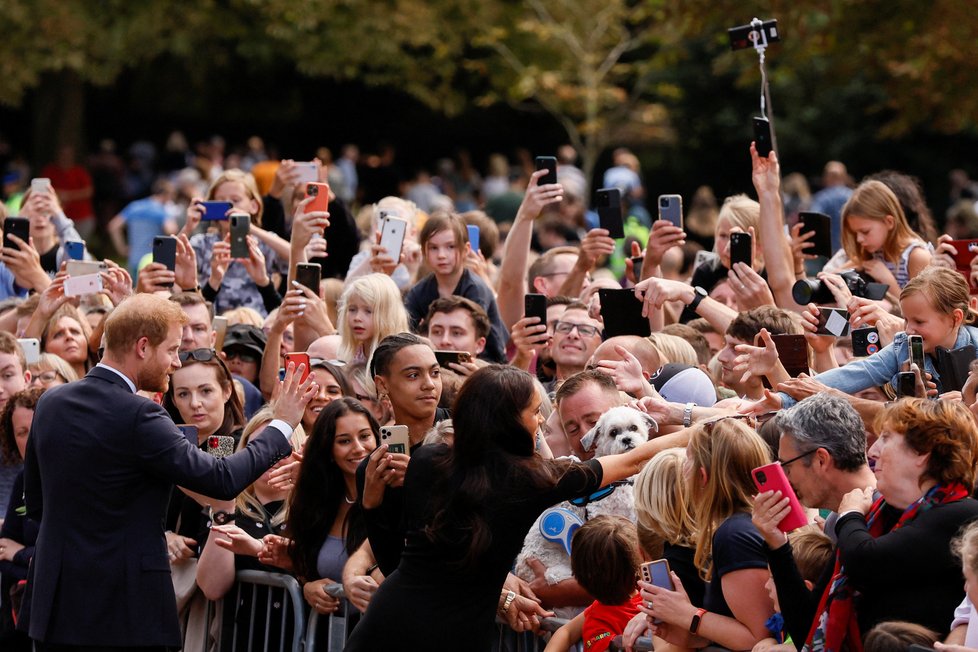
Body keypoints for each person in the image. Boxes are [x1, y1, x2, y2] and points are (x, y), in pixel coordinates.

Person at [22, 293, 314, 649]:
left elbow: (36, 506)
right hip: (125, 614)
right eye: (172, 349)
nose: (175, 362)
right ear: (143, 346)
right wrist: (282, 424)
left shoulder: (51, 403)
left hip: (55, 609)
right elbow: (222, 481)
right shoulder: (140, 415)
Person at [344, 365, 693, 650]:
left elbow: (416, 565)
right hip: (450, 636)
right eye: (534, 412)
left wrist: (501, 599)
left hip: (388, 623)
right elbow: (633, 461)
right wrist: (705, 425)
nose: (540, 422)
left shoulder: (430, 459)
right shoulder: (531, 480)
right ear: (508, 421)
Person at [807, 399, 978, 645]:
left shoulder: (962, 514)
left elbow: (865, 561)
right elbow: (810, 610)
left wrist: (850, 515)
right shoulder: (879, 514)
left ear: (922, 452)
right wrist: (777, 546)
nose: (873, 451)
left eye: (886, 438)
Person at [639, 416, 775, 650]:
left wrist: (687, 614)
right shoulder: (739, 526)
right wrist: (686, 635)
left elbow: (759, 638)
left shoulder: (734, 535)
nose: (682, 468)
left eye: (688, 458)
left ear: (702, 477)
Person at [762, 267, 978, 410]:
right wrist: (784, 398)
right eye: (905, 320)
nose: (909, 329)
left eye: (919, 322)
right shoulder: (902, 346)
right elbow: (854, 374)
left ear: (955, 318)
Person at [287, 398, 380, 623]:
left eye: (365, 436)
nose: (358, 448)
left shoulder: (394, 496)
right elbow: (302, 564)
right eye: (344, 441)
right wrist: (307, 586)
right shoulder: (314, 501)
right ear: (328, 449)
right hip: (326, 635)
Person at [403, 212, 508, 362]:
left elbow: (480, 342)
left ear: (465, 250)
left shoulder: (475, 289)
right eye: (433, 248)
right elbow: (405, 332)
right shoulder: (419, 290)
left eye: (450, 247)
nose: (441, 255)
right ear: (424, 251)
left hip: (484, 362)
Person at [544, 516, 644, 652]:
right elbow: (566, 632)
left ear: (580, 577)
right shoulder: (656, 599)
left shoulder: (598, 619)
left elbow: (566, 632)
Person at [0, 388, 42, 652]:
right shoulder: (23, 479)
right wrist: (31, 562)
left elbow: (70, 560)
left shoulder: (79, 480)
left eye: (37, 427)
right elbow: (3, 551)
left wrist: (21, 555)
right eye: (22, 433)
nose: (32, 439)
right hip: (20, 616)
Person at [838, 179, 932, 296]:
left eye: (865, 231)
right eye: (855, 233)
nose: (859, 239)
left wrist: (889, 283)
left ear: (889, 222)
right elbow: (834, 273)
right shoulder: (874, 252)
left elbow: (921, 311)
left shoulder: (916, 256)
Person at [336, 273, 409, 366]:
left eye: (368, 311)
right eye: (352, 309)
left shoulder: (400, 358)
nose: (357, 318)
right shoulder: (351, 355)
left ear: (388, 315)